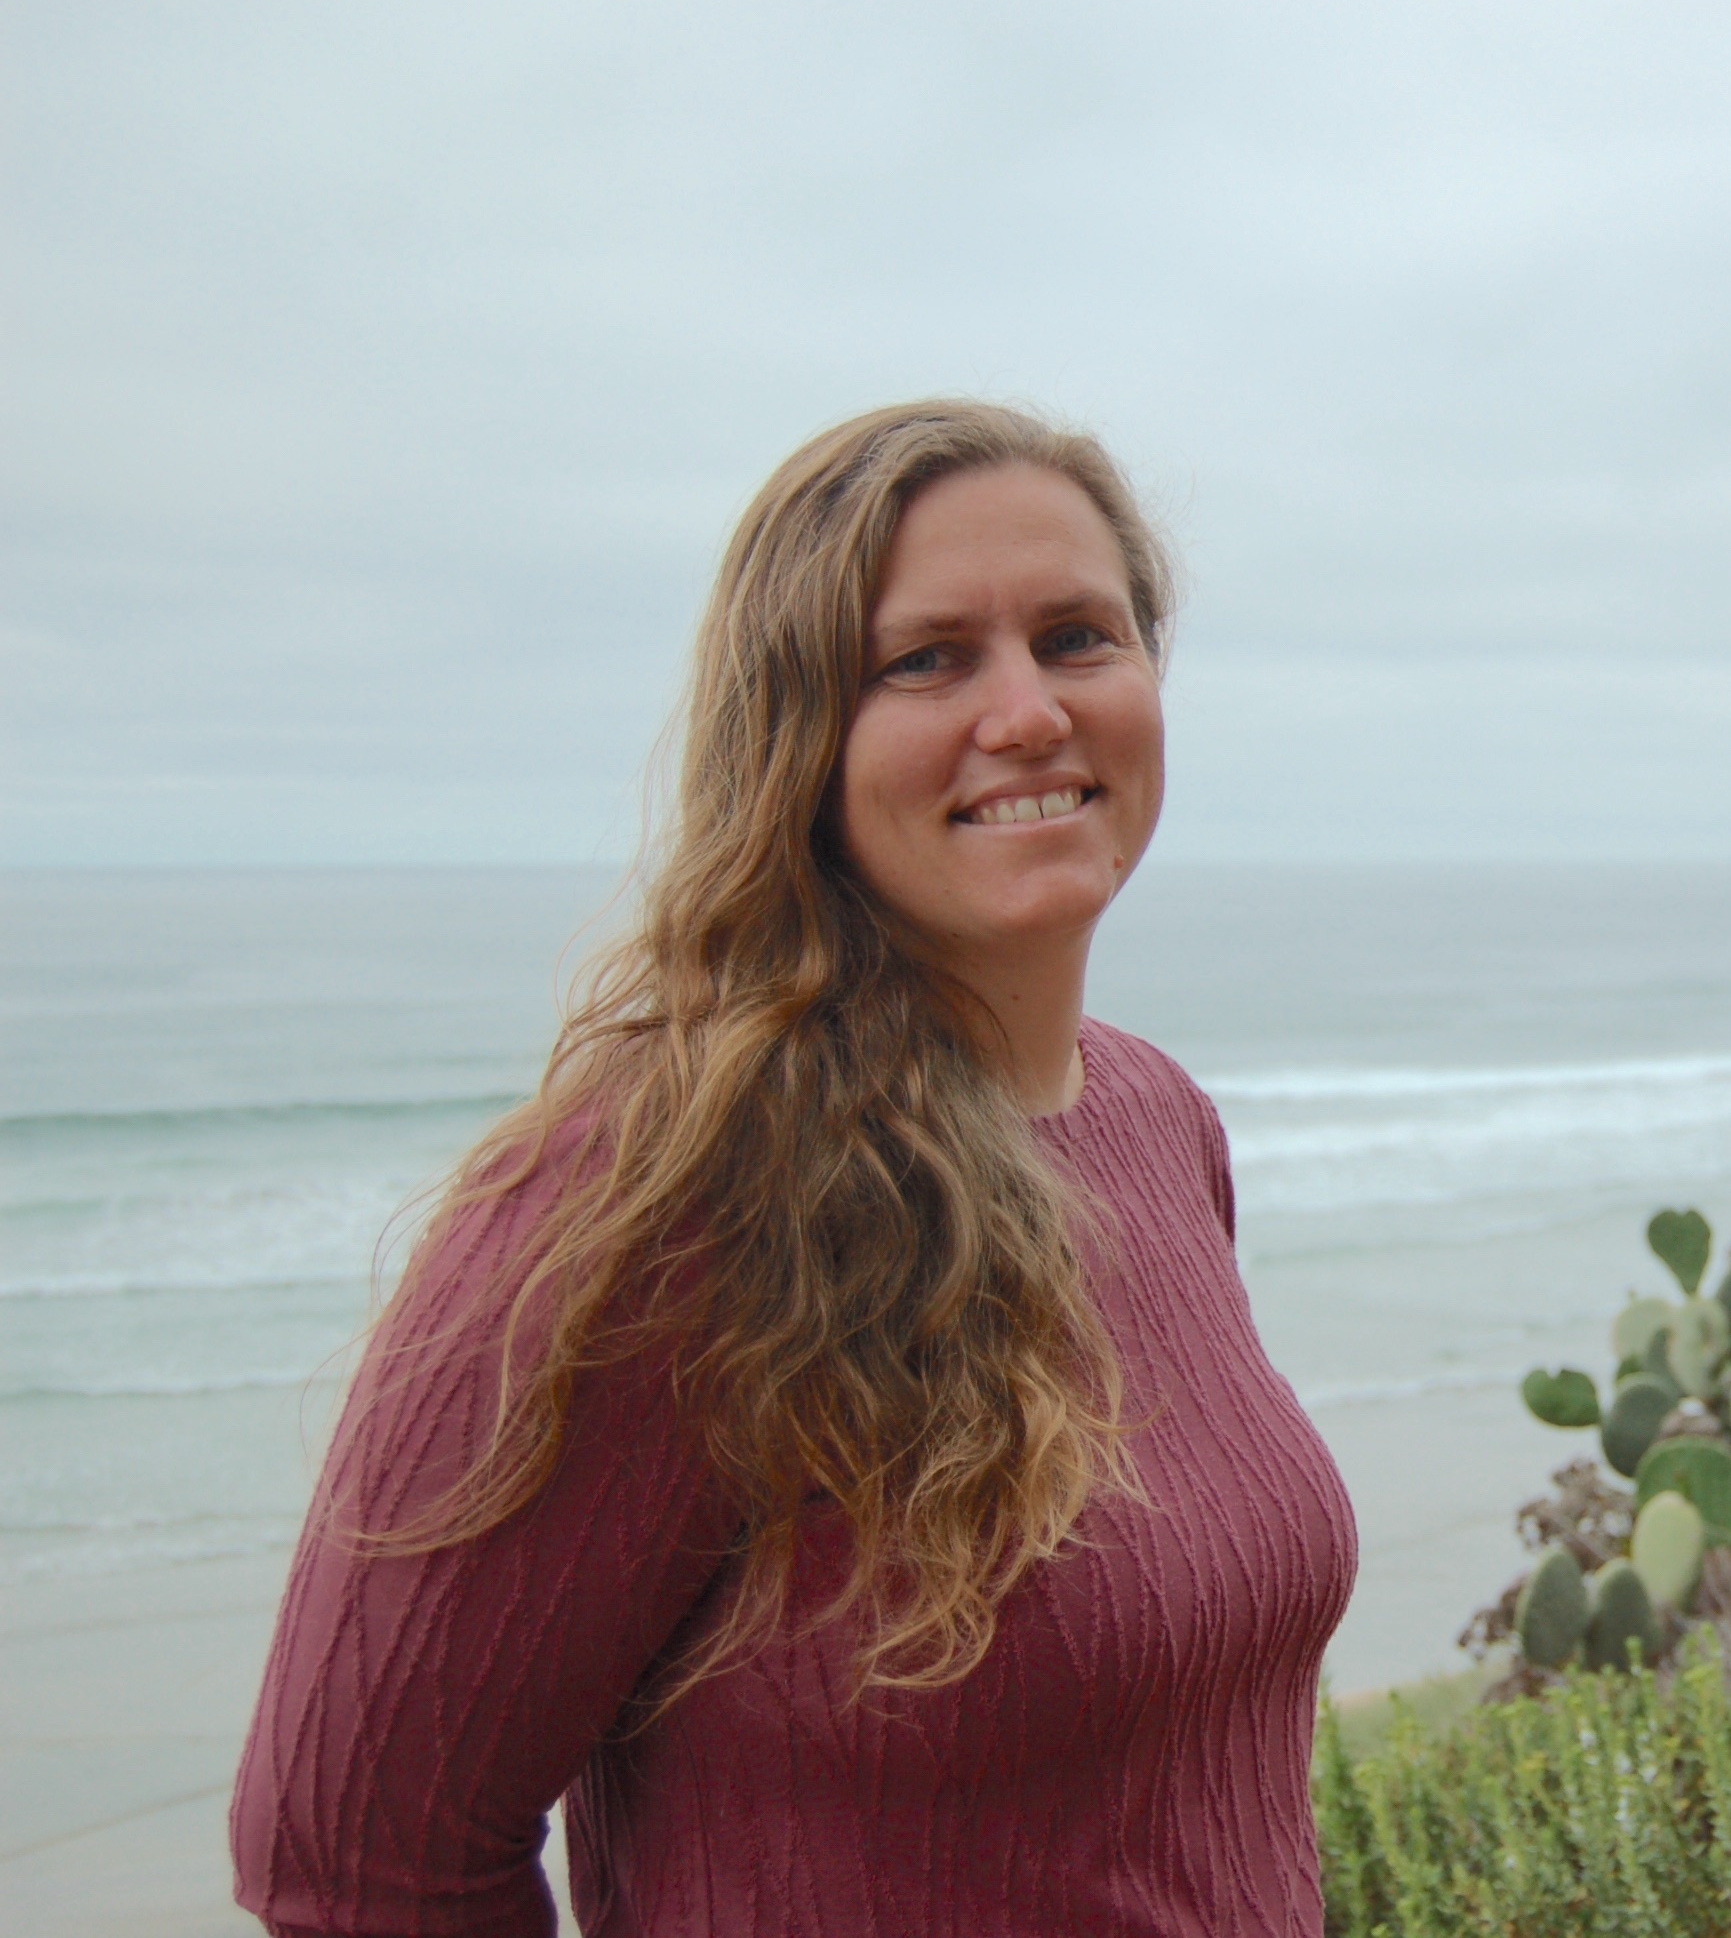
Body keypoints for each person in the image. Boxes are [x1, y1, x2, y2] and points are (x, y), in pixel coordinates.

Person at [232, 401, 1358, 1937]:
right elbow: (352, 1860)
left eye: (1079, 637)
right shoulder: (659, 1193)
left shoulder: (1159, 1123)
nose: (1026, 712)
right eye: (926, 659)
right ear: (799, 737)